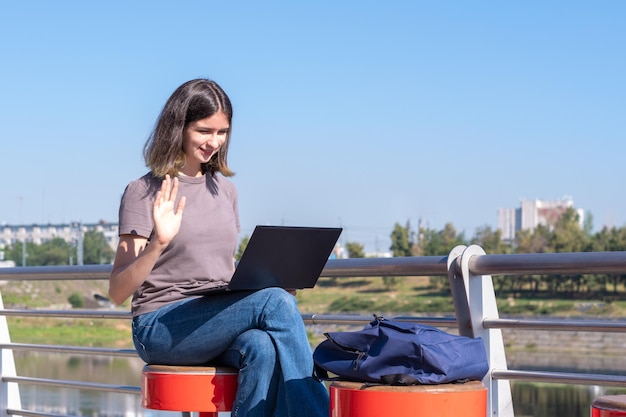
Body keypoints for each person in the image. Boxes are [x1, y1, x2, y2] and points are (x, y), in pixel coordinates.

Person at [108, 78, 329, 417]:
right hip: (161, 327)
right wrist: (158, 244)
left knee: (261, 347)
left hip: (216, 316)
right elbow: (117, 291)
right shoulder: (143, 191)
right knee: (276, 303)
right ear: (178, 127)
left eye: (222, 132)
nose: (214, 142)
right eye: (204, 131)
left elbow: (220, 268)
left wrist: (273, 279)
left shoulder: (225, 191)